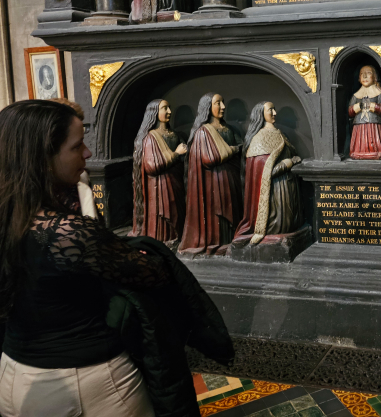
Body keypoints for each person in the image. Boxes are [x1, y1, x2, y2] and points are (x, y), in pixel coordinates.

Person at [0, 100, 165, 416]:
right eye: (77, 146)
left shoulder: (13, 218)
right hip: (85, 381)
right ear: (43, 158)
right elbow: (152, 274)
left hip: (13, 374)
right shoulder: (66, 233)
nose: (88, 154)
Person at [179, 93, 243, 255]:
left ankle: (230, 241)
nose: (223, 106)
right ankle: (217, 243)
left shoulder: (228, 129)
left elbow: (241, 148)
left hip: (231, 178)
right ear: (207, 107)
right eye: (218, 103)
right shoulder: (203, 132)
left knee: (233, 211)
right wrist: (234, 150)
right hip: (213, 182)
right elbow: (209, 158)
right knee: (218, 215)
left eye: (223, 102)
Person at [233, 101, 302, 246]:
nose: (275, 113)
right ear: (261, 114)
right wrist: (288, 163)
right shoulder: (259, 139)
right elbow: (266, 173)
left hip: (287, 187)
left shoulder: (279, 133)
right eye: (270, 110)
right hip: (275, 194)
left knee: (290, 223)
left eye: (274, 109)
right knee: (281, 224)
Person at [131, 99, 188, 244]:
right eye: (164, 108)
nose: (169, 111)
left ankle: (177, 237)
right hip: (160, 185)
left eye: (169, 108)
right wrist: (176, 154)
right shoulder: (151, 137)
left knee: (177, 212)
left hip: (176, 181)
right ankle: (164, 240)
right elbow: (152, 166)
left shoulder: (174, 134)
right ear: (154, 113)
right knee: (165, 214)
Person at [348, 65, 381, 160]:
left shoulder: (379, 93)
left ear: (375, 77)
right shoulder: (356, 96)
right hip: (359, 125)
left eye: (368, 73)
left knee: (374, 140)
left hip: (375, 124)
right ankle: (358, 151)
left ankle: (377, 151)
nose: (365, 76)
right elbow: (350, 112)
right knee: (360, 142)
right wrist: (358, 107)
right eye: (362, 74)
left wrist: (374, 106)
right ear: (359, 78)